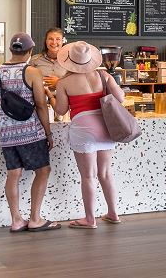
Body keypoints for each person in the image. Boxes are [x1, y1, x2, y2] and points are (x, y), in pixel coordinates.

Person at [0, 32, 61, 233]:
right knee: (42, 170)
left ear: (11, 49)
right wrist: (48, 133)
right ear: (30, 50)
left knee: (13, 174)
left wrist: (2, 120)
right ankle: (35, 219)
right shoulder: (32, 72)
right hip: (30, 133)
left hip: (6, 135)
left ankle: (16, 220)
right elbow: (41, 106)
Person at [54, 41, 124, 229]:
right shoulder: (104, 75)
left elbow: (60, 110)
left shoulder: (64, 82)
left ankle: (90, 219)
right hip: (105, 127)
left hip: (83, 129)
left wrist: (51, 97)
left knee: (88, 176)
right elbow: (121, 98)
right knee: (105, 173)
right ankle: (113, 213)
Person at [30, 27, 67, 113]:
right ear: (46, 41)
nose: (54, 42)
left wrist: (59, 83)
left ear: (63, 41)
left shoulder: (69, 61)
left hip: (64, 105)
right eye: (50, 39)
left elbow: (75, 83)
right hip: (40, 105)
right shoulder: (35, 60)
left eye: (58, 39)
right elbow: (28, 81)